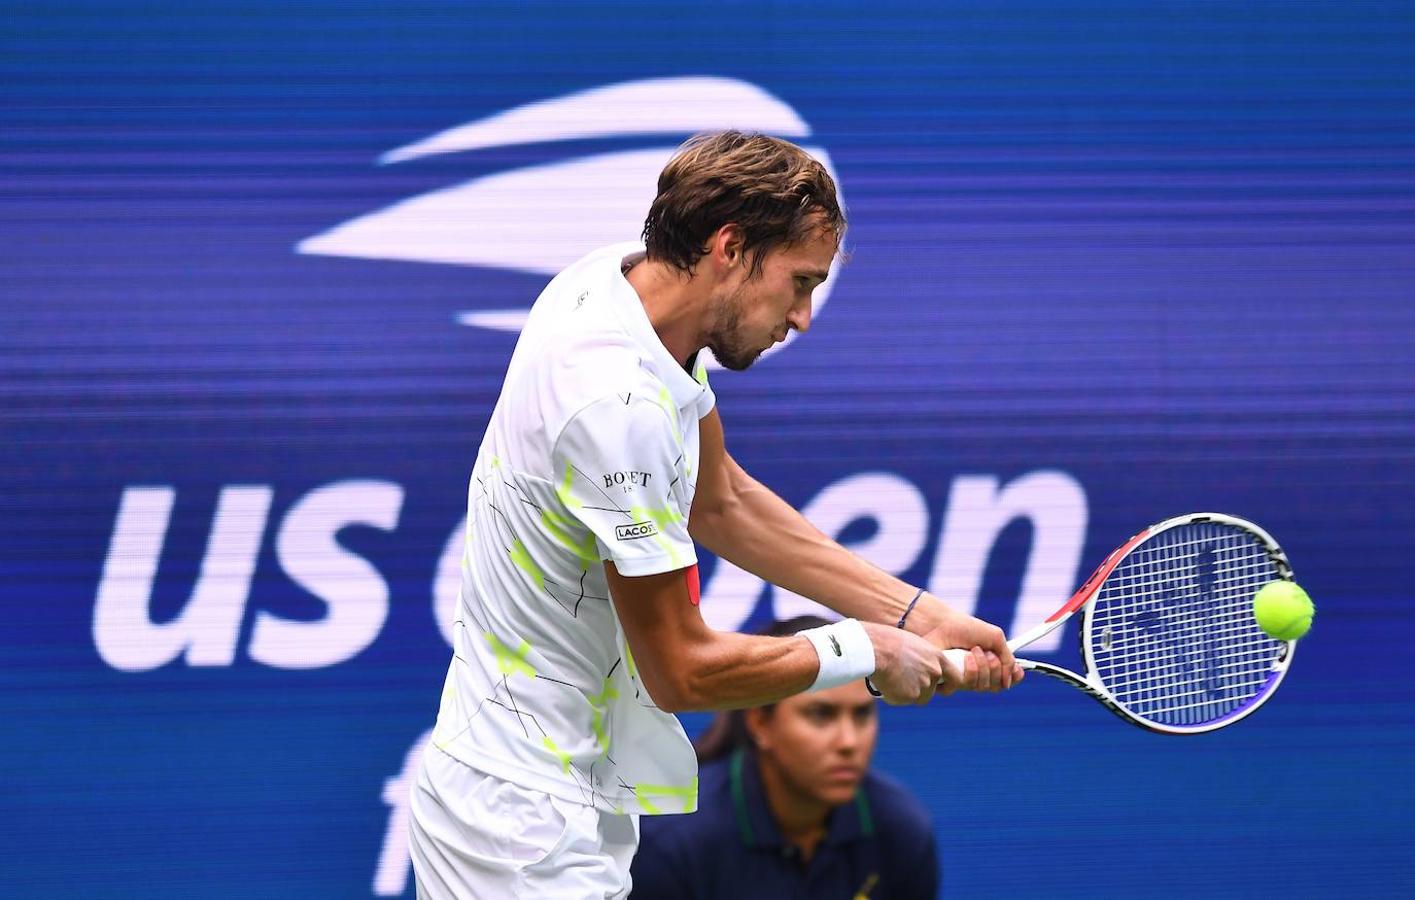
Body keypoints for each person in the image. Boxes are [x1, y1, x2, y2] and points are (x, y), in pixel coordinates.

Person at [408, 130, 1021, 899]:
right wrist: (865, 650)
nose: (800, 317)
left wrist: (915, 613)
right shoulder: (610, 403)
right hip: (518, 824)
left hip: (559, 788)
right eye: (798, 283)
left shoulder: (616, 287)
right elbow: (681, 670)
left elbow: (718, 497)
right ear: (729, 247)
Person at [631, 616, 939, 900]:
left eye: (861, 714)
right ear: (760, 723)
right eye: (821, 715)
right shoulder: (673, 845)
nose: (849, 742)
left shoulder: (900, 829)